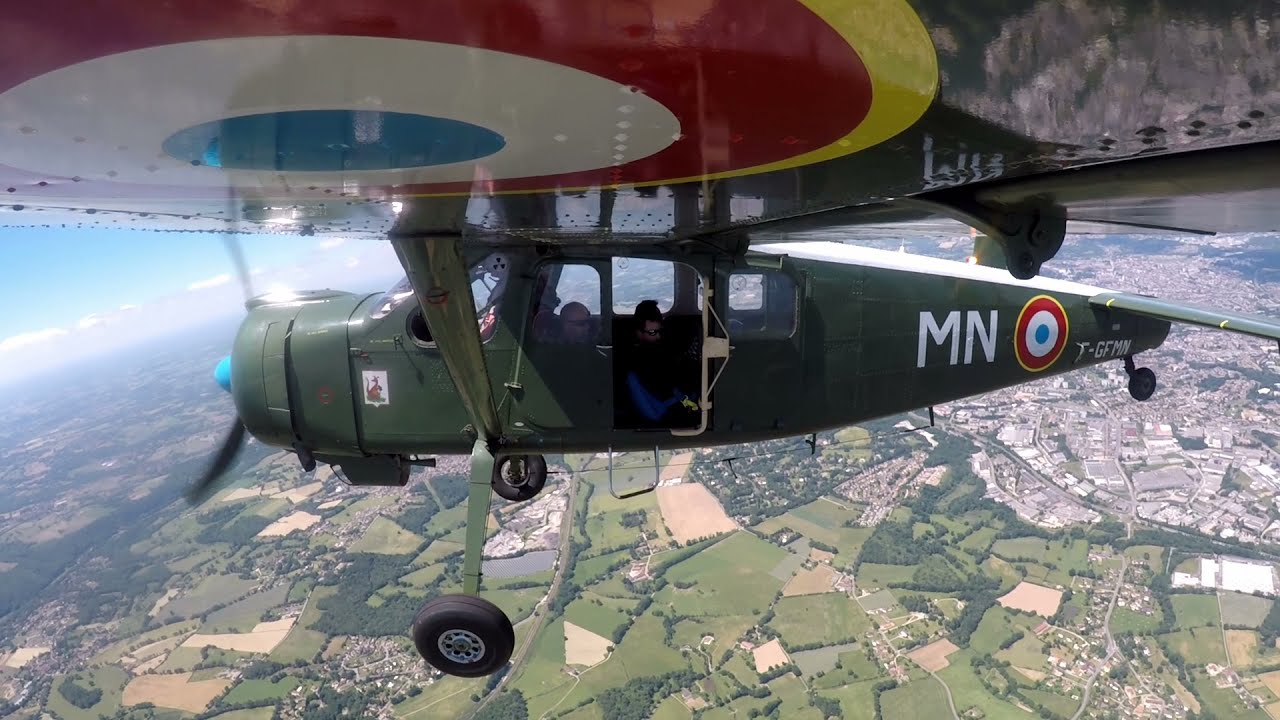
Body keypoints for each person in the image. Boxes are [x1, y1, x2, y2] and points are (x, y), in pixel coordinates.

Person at [624, 300, 698, 424]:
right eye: (652, 332)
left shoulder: (661, 347)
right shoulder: (636, 358)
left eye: (660, 331)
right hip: (666, 408)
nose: (658, 336)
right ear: (638, 331)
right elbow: (663, 387)